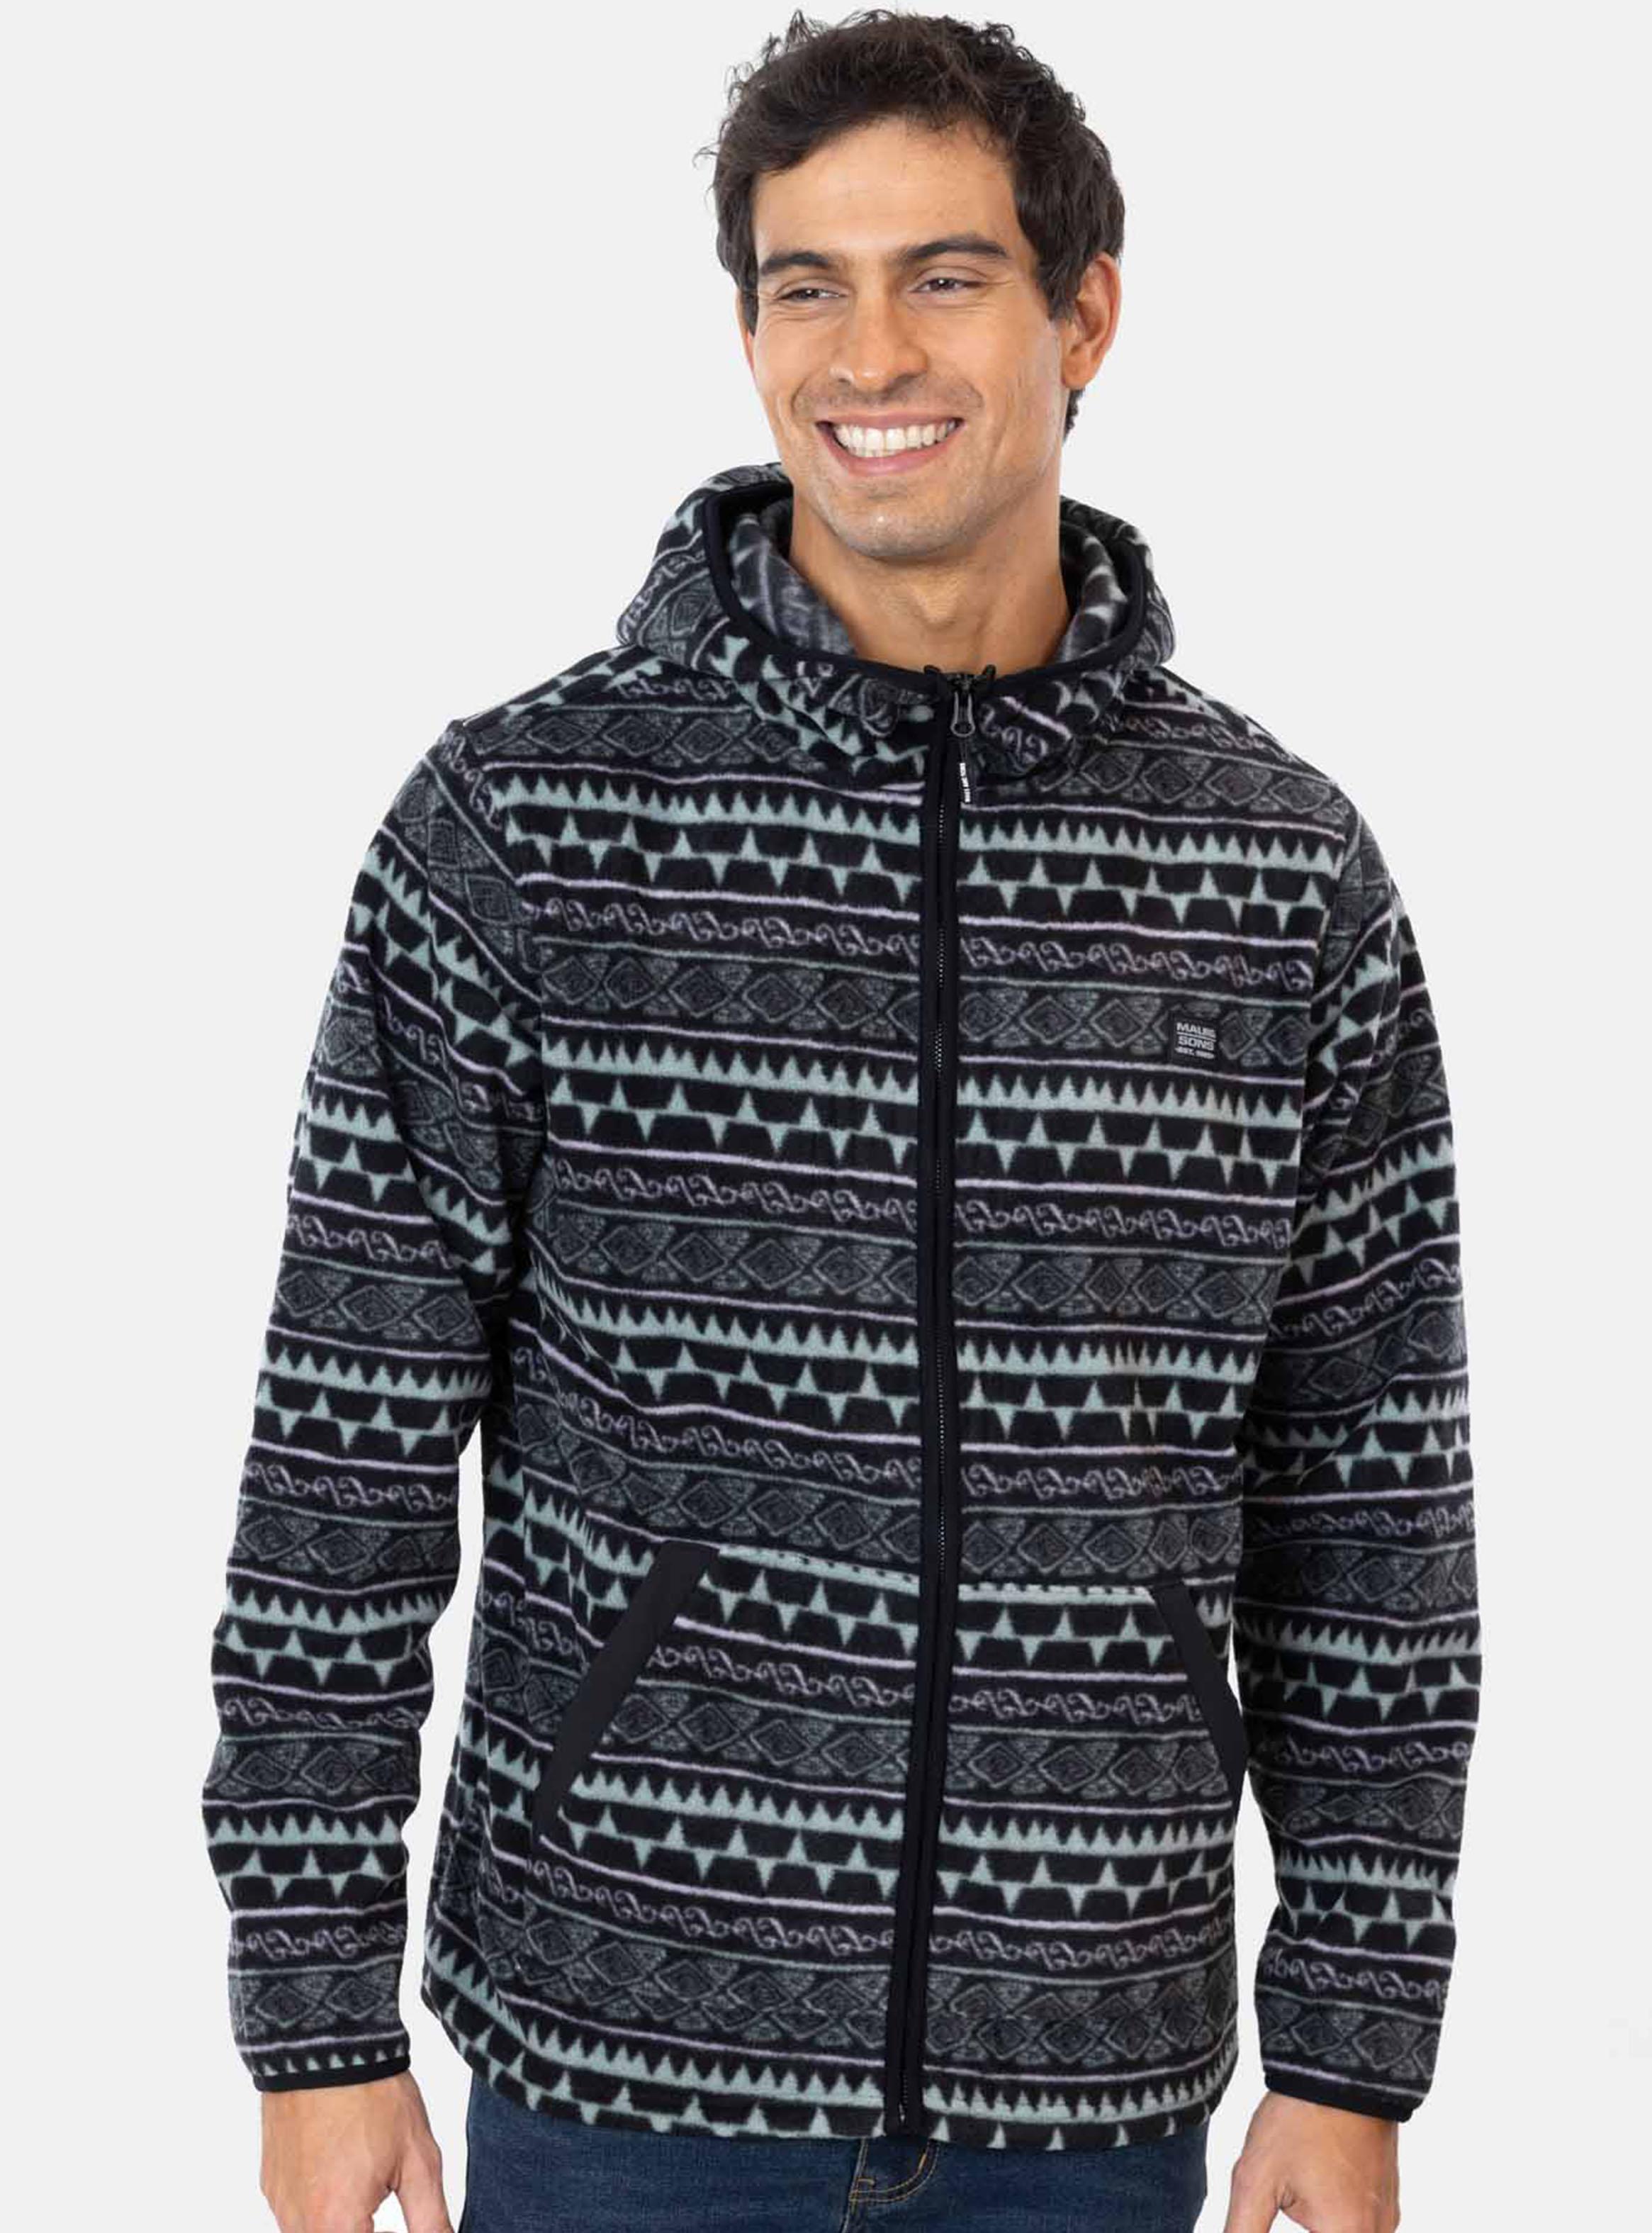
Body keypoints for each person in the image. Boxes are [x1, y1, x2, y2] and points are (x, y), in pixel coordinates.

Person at [203, 13, 1479, 2232]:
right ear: (748, 331)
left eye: (945, 278)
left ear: (1085, 313)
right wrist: (313, 2025)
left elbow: (1368, 1498)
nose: (867, 352)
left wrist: (1351, 2052)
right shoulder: (526, 830)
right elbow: (346, 1451)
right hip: (617, 2053)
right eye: (807, 284)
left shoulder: (1276, 876)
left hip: (1088, 2078)